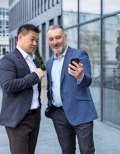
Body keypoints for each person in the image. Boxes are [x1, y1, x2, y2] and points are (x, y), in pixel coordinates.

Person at [45, 25, 98, 154]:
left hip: (81, 113)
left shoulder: (79, 54)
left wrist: (80, 76)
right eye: (51, 39)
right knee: (67, 151)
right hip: (59, 115)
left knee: (87, 151)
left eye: (58, 37)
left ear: (65, 37)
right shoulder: (49, 62)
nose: (55, 42)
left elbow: (88, 81)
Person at [0, 24, 45, 154]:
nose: (35, 43)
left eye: (37, 40)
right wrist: (35, 76)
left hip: (35, 116)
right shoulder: (8, 60)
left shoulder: (34, 61)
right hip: (18, 119)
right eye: (32, 39)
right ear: (20, 37)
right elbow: (7, 86)